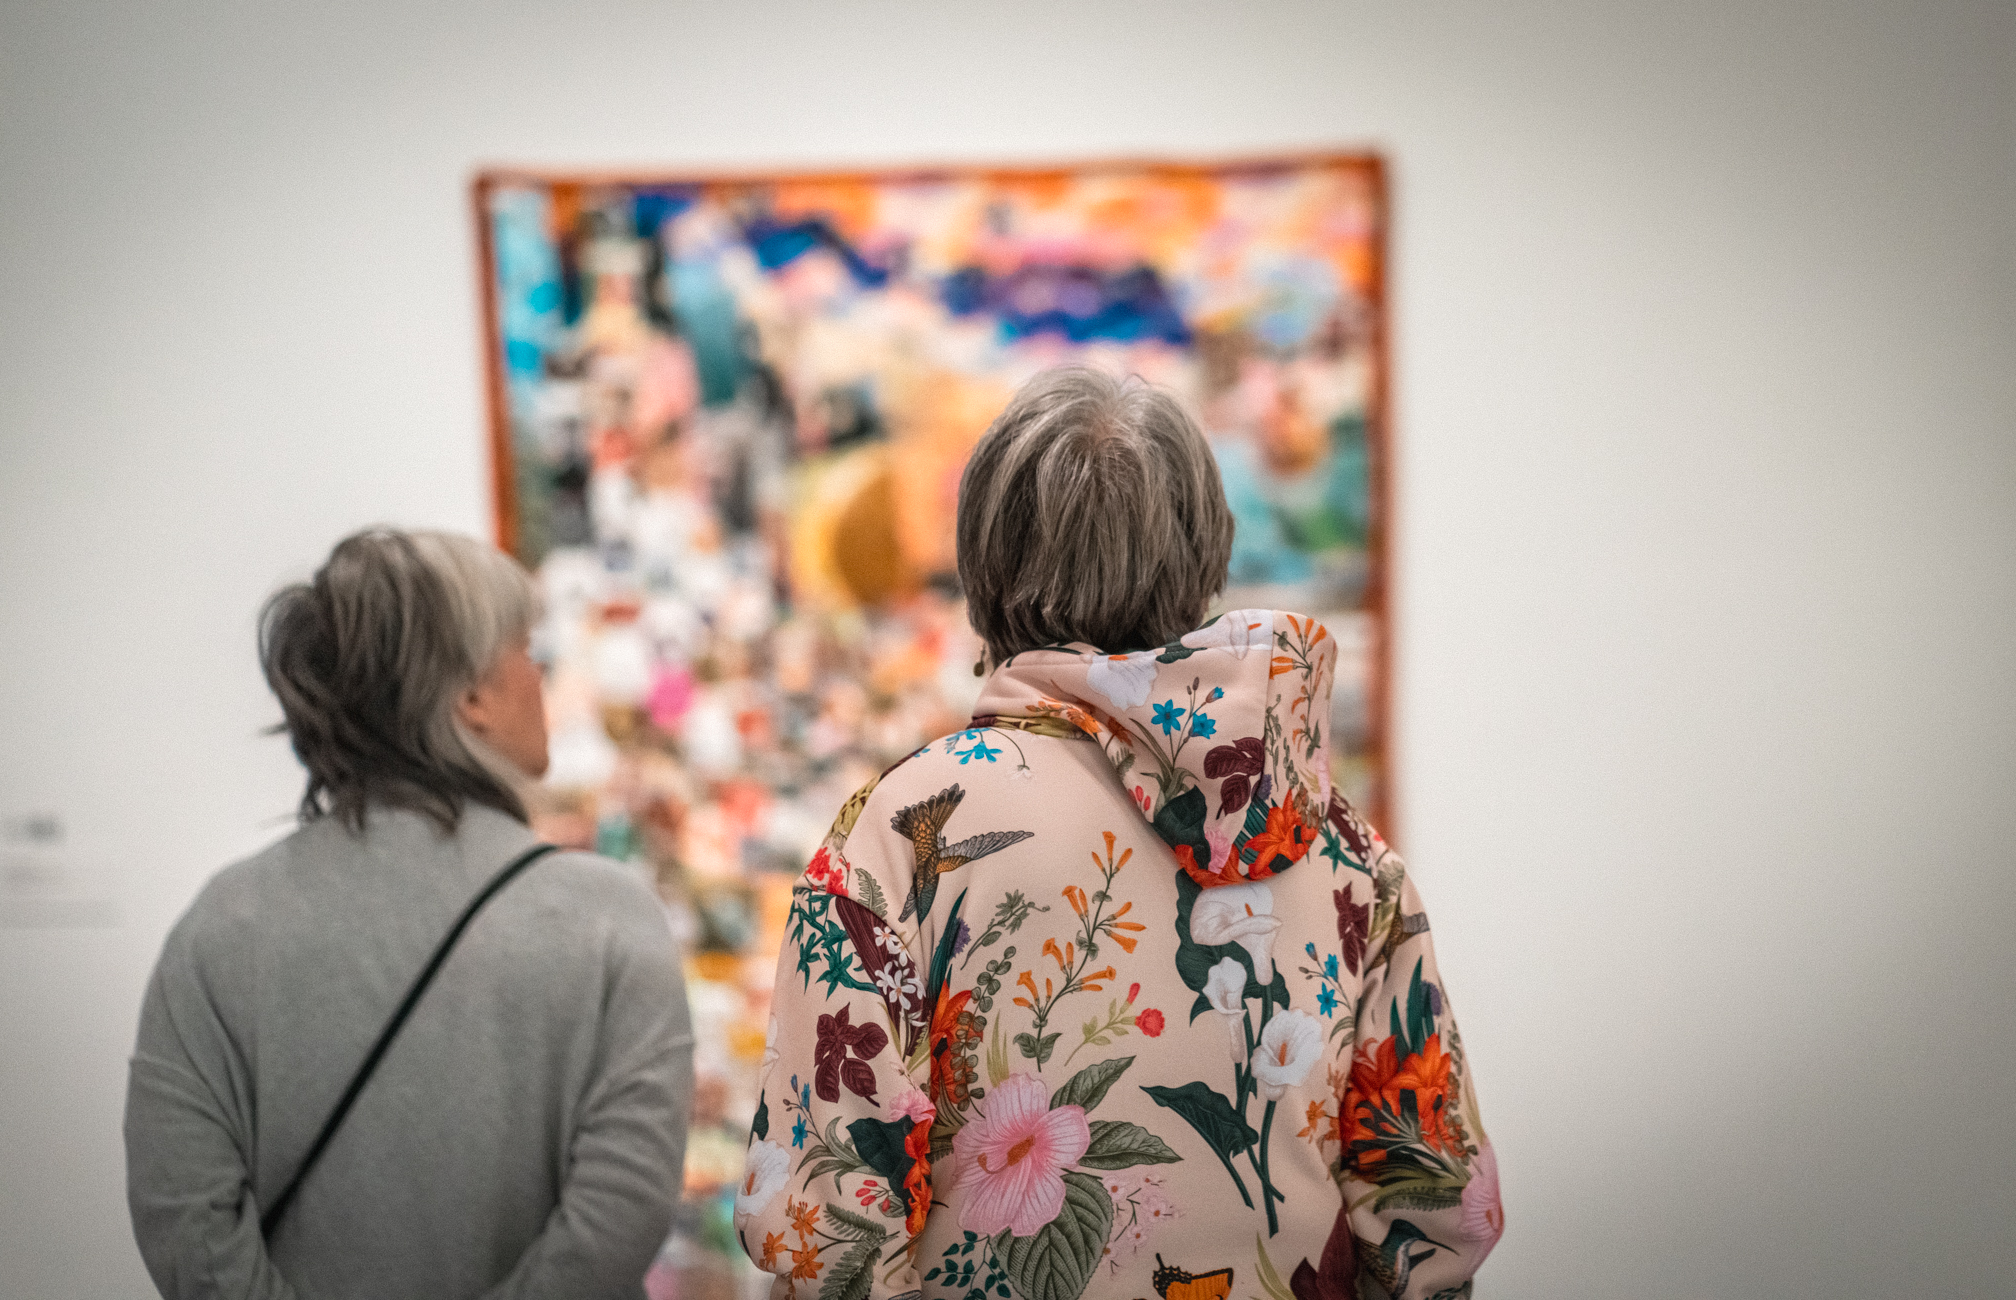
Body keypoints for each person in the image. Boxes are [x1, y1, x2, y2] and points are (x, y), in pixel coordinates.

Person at [736, 370, 1501, 1300]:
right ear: (1206, 563)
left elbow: (825, 1238)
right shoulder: (1341, 850)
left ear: (983, 564)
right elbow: (1439, 1217)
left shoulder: (898, 837)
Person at [125, 528, 693, 1300]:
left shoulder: (221, 928)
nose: (540, 674)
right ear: (472, 697)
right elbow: (620, 1216)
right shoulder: (609, 919)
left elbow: (184, 1221)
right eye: (526, 650)